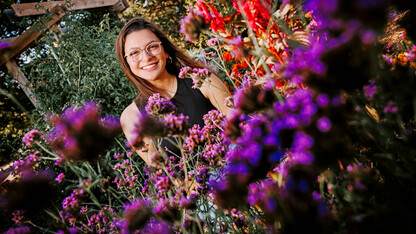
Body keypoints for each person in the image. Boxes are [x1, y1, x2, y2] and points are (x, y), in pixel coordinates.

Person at [115, 17, 231, 165]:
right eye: (134, 53)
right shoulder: (132, 117)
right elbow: (164, 174)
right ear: (127, 63)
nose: (146, 57)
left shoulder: (202, 80)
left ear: (166, 51)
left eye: (152, 47)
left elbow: (241, 126)